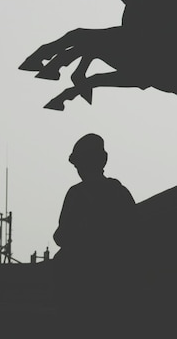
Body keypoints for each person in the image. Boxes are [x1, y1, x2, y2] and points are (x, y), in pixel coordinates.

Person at [53, 134, 136, 338]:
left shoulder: (76, 194)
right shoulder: (119, 192)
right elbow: (133, 230)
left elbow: (61, 236)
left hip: (82, 285)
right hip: (115, 284)